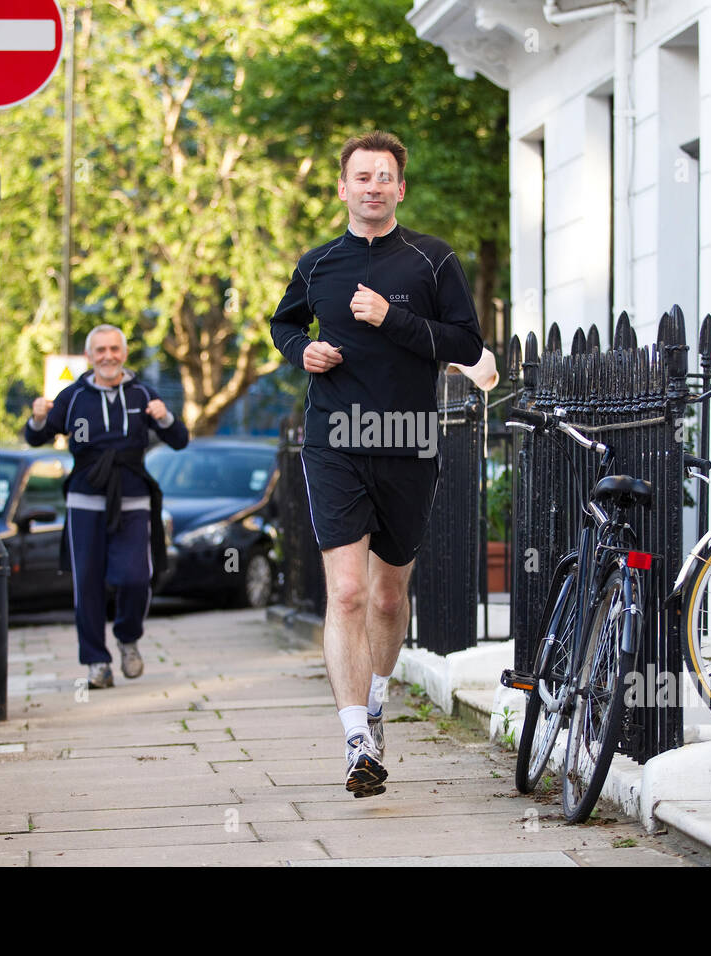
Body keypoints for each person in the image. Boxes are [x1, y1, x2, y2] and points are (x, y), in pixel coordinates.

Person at [269, 131, 483, 797]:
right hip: (335, 440)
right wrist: (301, 350)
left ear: (399, 188)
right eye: (360, 176)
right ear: (342, 188)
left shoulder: (432, 260)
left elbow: (467, 344)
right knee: (348, 593)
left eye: (383, 177)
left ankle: (378, 695)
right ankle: (356, 735)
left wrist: (391, 318)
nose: (371, 186)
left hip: (408, 439)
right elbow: (282, 325)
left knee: (389, 595)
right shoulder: (318, 265)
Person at [25, 325, 189, 688]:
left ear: (124, 354)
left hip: (132, 498)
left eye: (114, 349)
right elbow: (37, 437)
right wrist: (37, 417)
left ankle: (128, 637)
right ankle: (96, 663)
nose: (108, 356)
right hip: (85, 498)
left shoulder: (143, 393)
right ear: (89, 357)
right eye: (100, 350)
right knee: (88, 583)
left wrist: (164, 417)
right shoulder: (72, 397)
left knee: (135, 577)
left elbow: (179, 440)